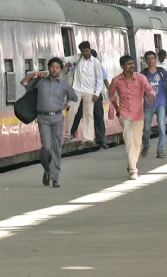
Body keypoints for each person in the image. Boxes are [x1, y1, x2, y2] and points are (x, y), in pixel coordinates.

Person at [21, 58, 78, 188]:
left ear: (60, 69)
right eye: (52, 67)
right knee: (46, 147)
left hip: (57, 118)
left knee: (56, 148)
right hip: (43, 118)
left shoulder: (64, 85)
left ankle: (55, 177)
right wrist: (34, 75)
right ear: (48, 67)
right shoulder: (40, 82)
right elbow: (23, 83)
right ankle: (47, 170)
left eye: (57, 67)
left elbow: (74, 98)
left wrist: (64, 107)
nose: (54, 69)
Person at [108, 55, 156, 180]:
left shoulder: (140, 78)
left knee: (137, 144)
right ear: (122, 66)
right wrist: (116, 108)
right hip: (124, 114)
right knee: (129, 142)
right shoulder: (116, 80)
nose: (132, 66)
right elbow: (111, 95)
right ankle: (133, 170)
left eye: (132, 63)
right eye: (129, 64)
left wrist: (151, 95)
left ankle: (131, 163)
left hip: (138, 114)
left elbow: (149, 89)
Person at [140, 51, 167, 158]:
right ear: (145, 60)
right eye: (148, 59)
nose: (151, 61)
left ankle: (160, 150)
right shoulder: (143, 74)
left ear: (155, 59)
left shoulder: (161, 72)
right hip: (148, 105)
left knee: (162, 127)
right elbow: (138, 88)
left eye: (152, 58)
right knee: (147, 128)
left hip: (161, 103)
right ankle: (146, 145)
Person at [64, 41, 104, 144]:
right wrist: (66, 63)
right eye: (82, 51)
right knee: (71, 112)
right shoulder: (78, 58)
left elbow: (99, 79)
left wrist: (97, 93)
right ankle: (67, 135)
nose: (85, 53)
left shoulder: (96, 62)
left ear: (90, 49)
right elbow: (65, 59)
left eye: (86, 51)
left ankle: (88, 138)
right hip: (76, 89)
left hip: (90, 92)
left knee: (88, 114)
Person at [70, 49, 109, 149]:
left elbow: (105, 80)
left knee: (98, 117)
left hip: (95, 95)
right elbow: (71, 73)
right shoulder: (80, 66)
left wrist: (110, 91)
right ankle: (70, 134)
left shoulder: (98, 66)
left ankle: (100, 140)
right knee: (78, 115)